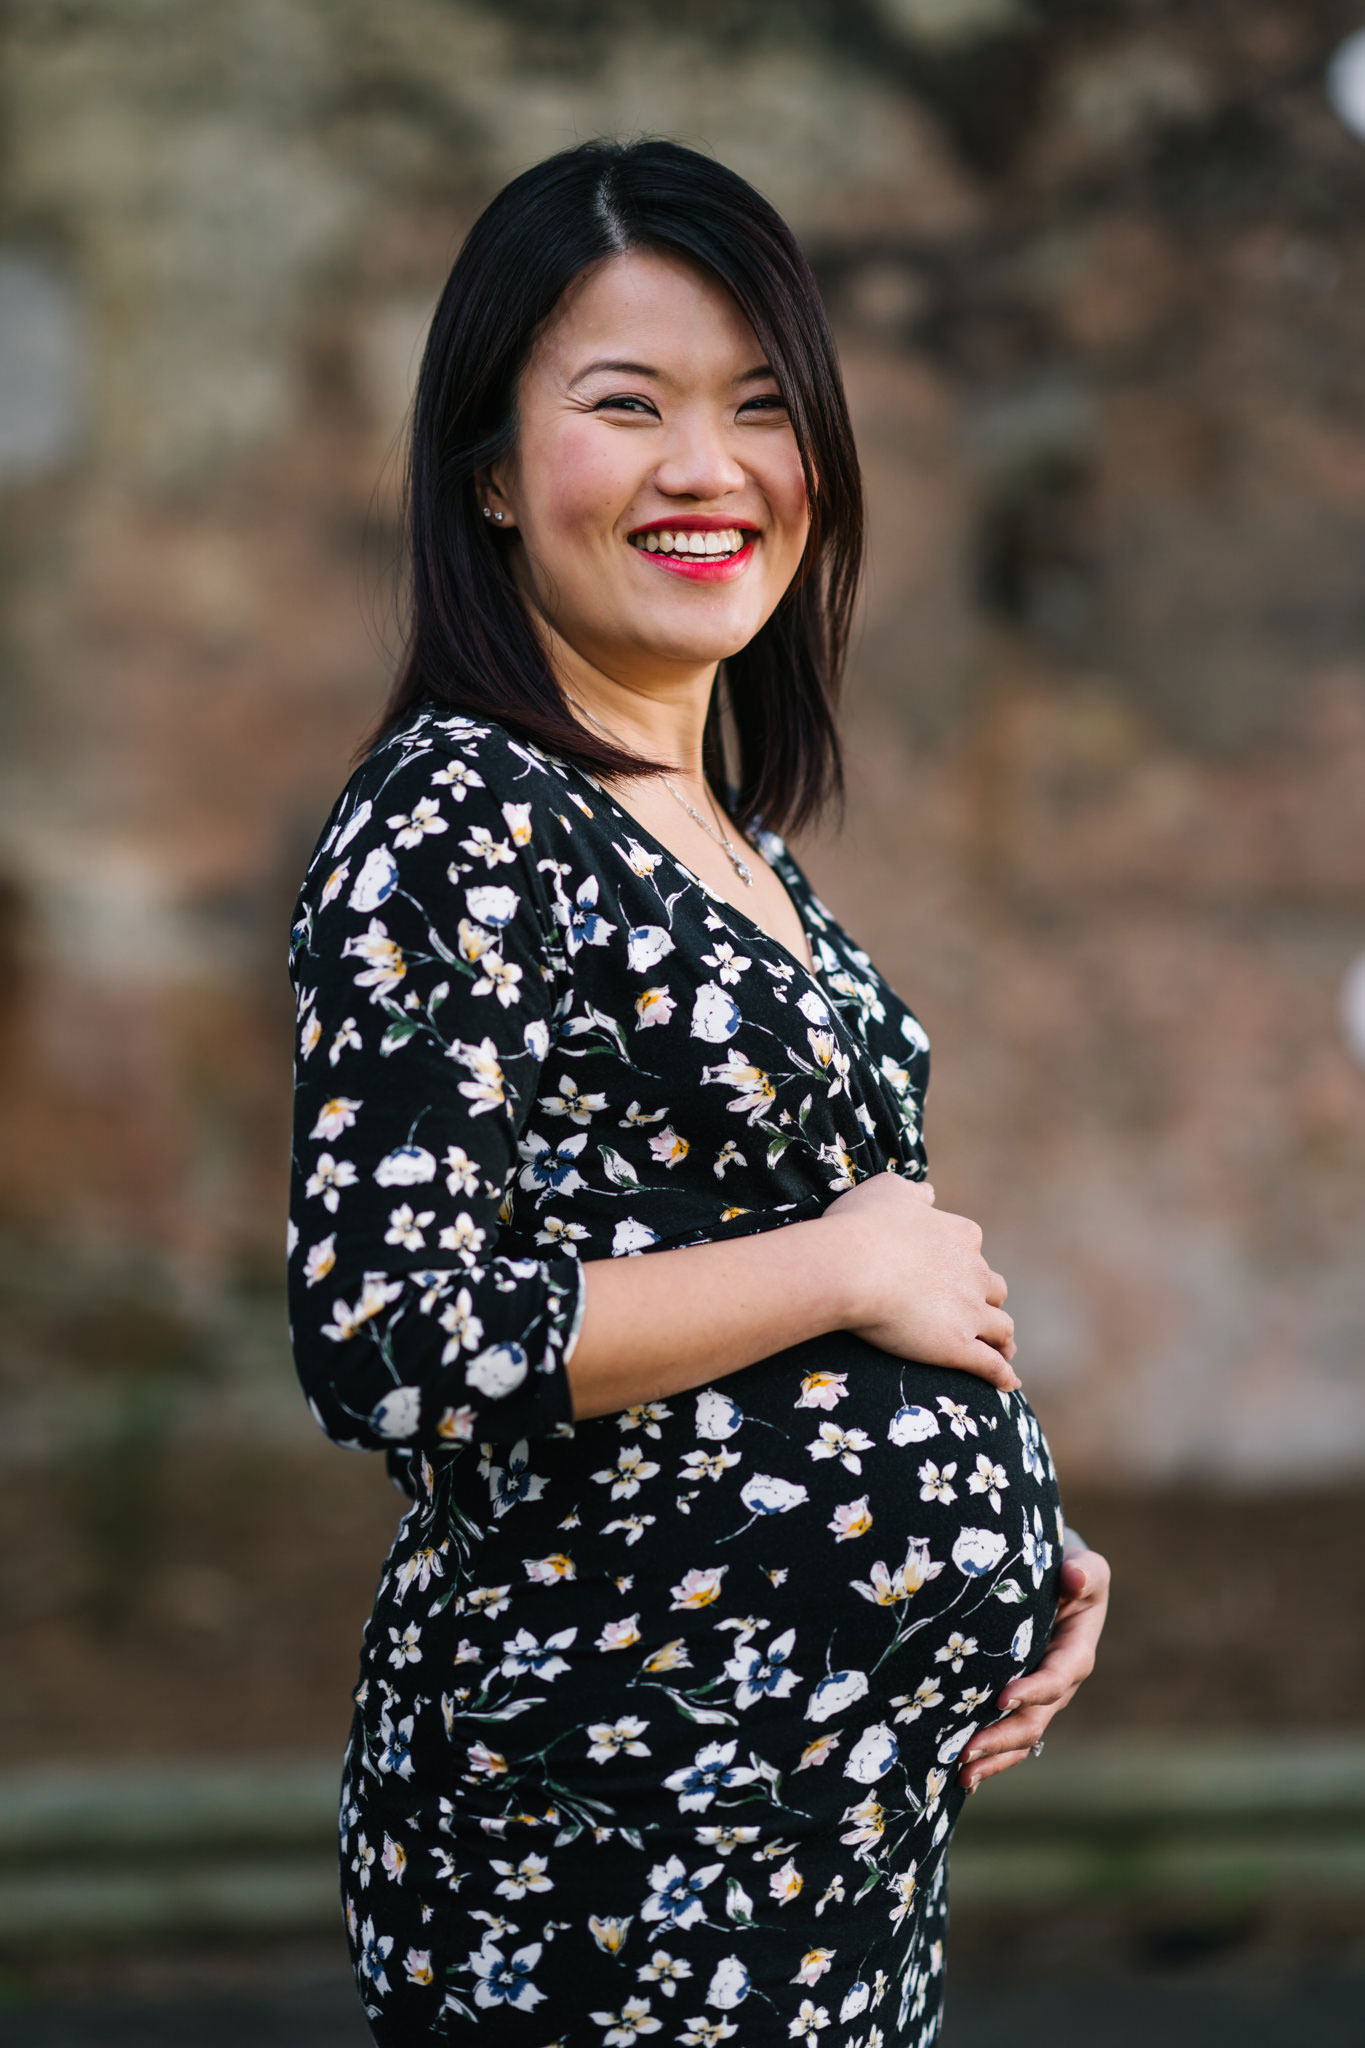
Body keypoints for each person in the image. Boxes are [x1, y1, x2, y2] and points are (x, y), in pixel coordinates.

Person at [286, 137, 1110, 2048]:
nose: (705, 466)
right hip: (610, 1869)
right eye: (623, 404)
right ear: (487, 472)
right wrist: (840, 1273)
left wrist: (1006, 1543)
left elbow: (788, 1296)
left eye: (759, 406)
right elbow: (393, 1331)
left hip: (814, 1858)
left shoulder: (719, 837)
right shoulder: (456, 818)